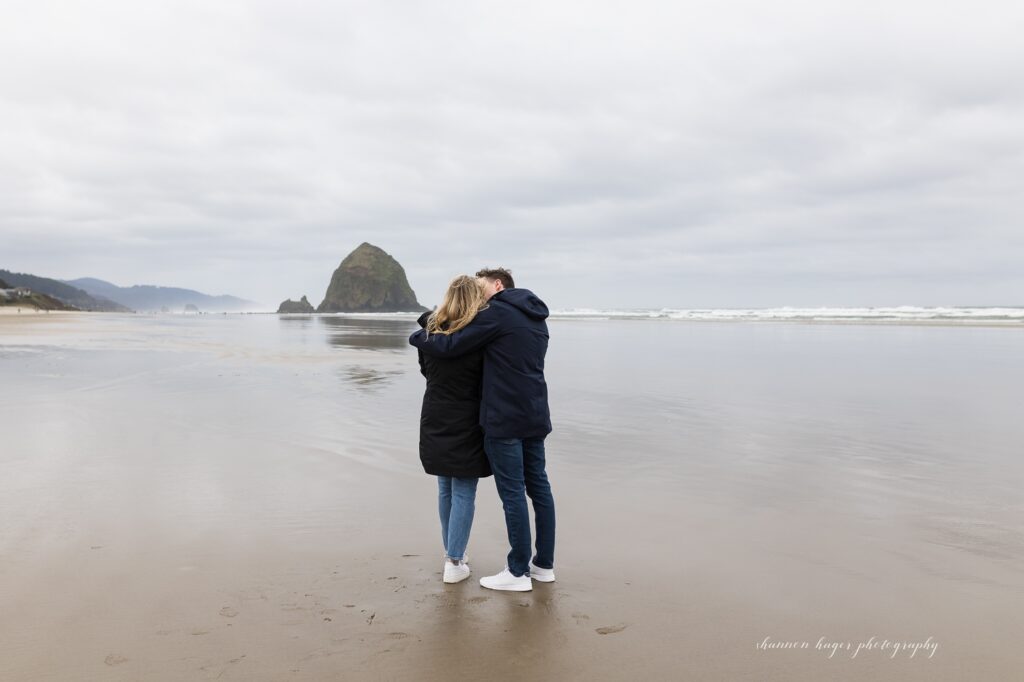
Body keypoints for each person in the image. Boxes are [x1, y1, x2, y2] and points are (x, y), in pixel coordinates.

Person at [409, 267, 555, 592]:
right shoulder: (535, 318)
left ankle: (482, 564)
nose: (481, 294)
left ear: (497, 285)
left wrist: (423, 333)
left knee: (465, 490)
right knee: (536, 490)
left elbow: (443, 350)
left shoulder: (494, 317)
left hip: (474, 416)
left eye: (483, 287)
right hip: (527, 412)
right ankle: (542, 565)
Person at [415, 275, 493, 584]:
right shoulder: (480, 336)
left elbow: (426, 371)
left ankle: (453, 552)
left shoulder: (429, 333)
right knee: (463, 489)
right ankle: (454, 560)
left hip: (435, 412)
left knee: (445, 486)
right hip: (467, 415)